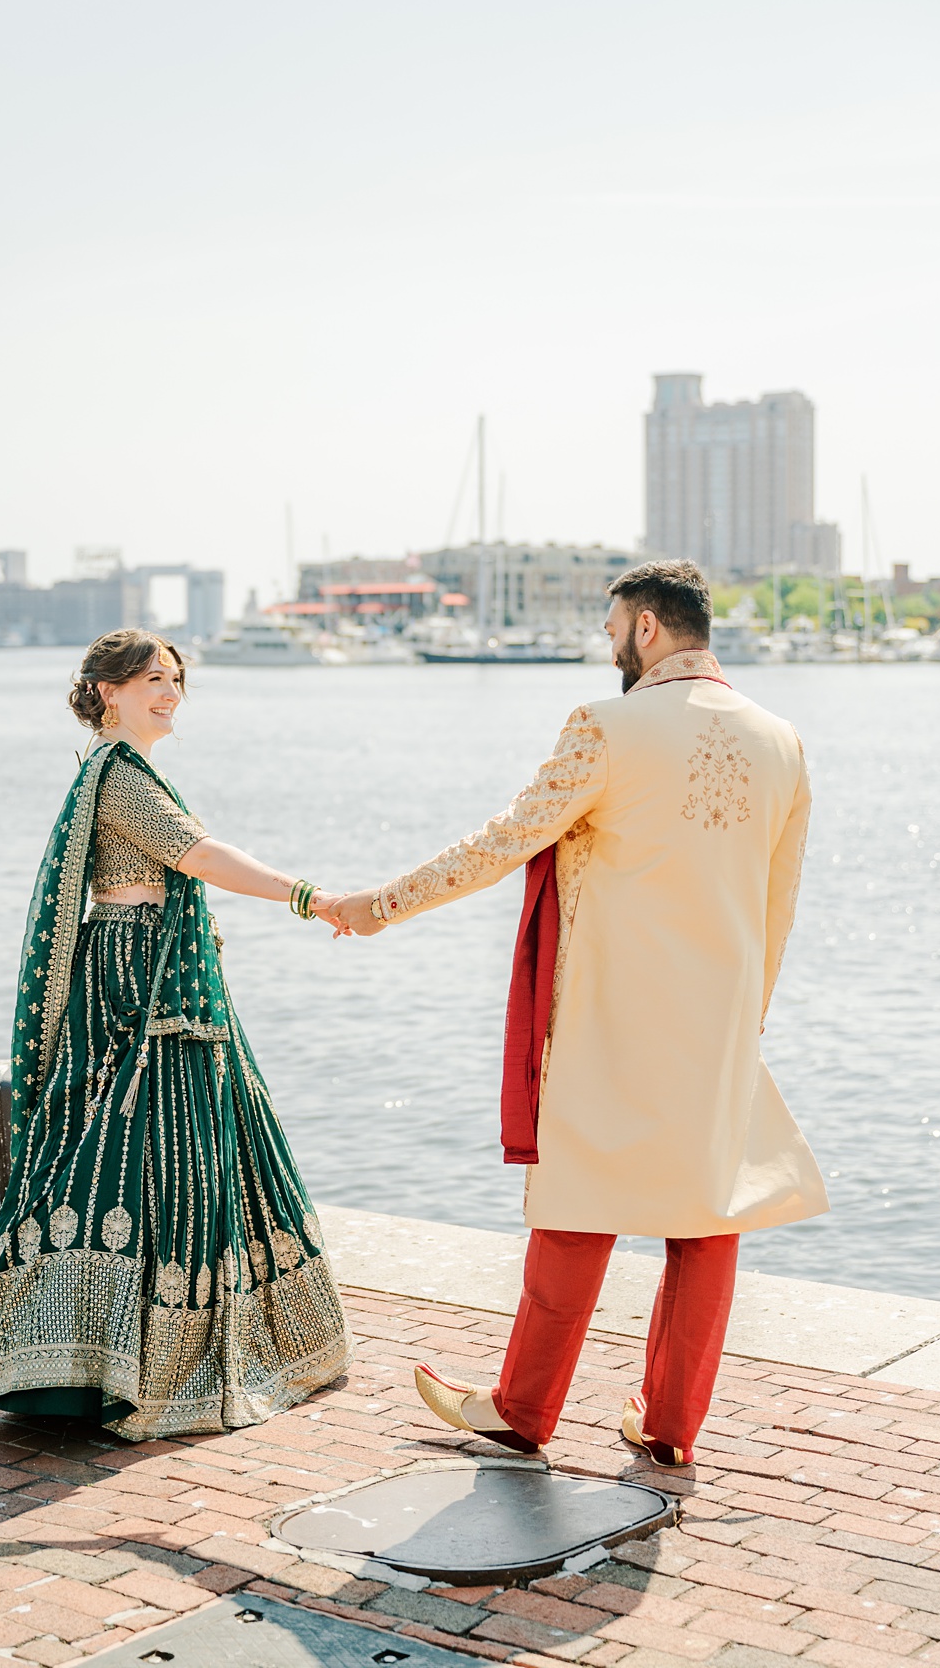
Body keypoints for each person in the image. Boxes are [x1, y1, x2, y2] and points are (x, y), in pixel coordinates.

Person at [328, 560, 826, 1466]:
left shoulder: (608, 726)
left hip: (611, 1012)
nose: (607, 651)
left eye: (610, 634)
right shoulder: (781, 740)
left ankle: (521, 1410)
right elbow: (777, 903)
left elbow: (502, 842)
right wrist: (746, 1016)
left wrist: (381, 903)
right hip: (718, 1020)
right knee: (705, 1216)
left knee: (577, 1203)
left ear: (645, 628)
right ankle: (669, 1426)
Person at [0, 630, 353, 1439]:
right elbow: (199, 855)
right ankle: (120, 1366)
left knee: (132, 1156)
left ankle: (86, 1360)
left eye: (178, 679)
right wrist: (310, 898)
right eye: (154, 679)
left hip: (145, 975)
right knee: (158, 1157)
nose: (172, 692)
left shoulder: (117, 769)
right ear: (107, 690)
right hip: (141, 993)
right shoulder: (118, 773)